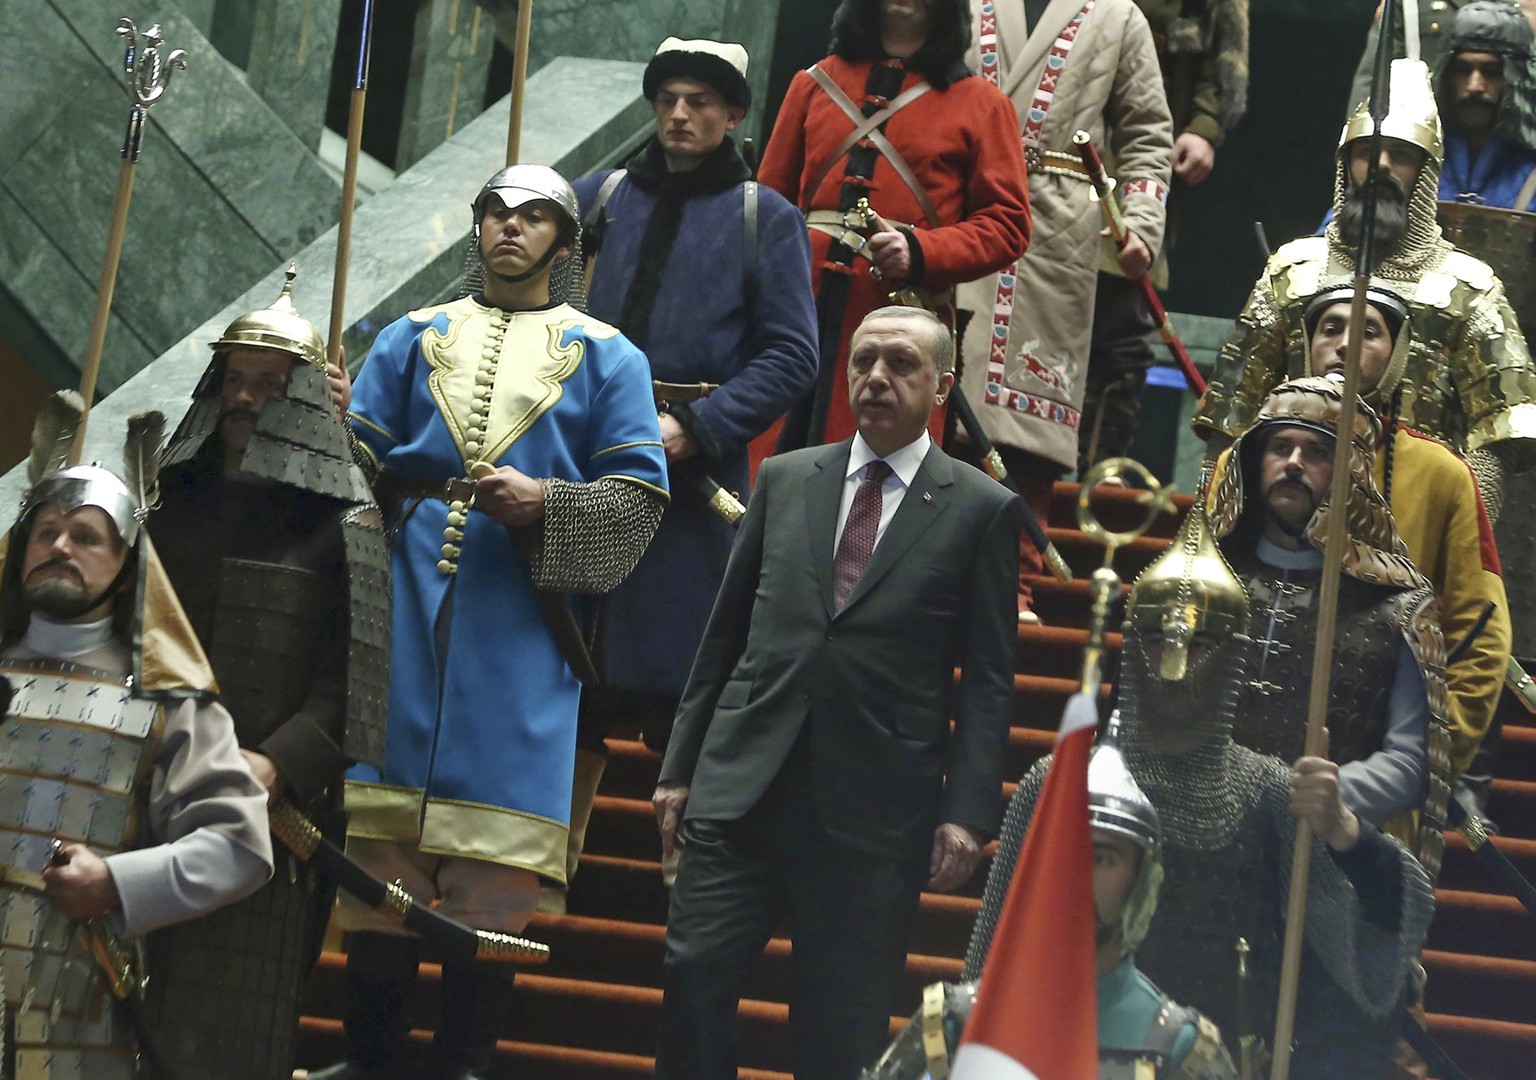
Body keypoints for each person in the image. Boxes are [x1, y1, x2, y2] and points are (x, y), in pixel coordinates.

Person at [321, 164, 669, 1079]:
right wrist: (327, 418)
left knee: (497, 865)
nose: (511, 228)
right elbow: (350, 471)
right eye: (496, 213)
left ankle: (464, 1066)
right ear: (477, 228)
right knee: (381, 854)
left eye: (535, 216)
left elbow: (638, 497)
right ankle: (371, 1063)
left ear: (566, 240)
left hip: (522, 627)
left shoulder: (610, 356)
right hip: (402, 606)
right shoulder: (410, 336)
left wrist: (548, 501)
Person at [653, 306, 1021, 1080]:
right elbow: (724, 636)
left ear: (943, 386)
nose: (877, 378)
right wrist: (680, 768)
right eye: (863, 361)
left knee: (840, 1027)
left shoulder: (981, 508)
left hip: (873, 809)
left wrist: (965, 812)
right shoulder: (787, 478)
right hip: (743, 786)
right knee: (693, 973)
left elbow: (988, 680)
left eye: (901, 364)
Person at [967, 506, 1437, 1075]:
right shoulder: (1061, 782)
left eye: (1199, 643)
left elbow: (1368, 939)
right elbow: (996, 952)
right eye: (1159, 640)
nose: (1175, 663)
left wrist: (1346, 832)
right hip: (1069, 1047)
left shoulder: (1264, 794)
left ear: (1232, 657)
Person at [567, 37, 818, 905]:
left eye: (701, 102)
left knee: (689, 684)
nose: (680, 115)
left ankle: (693, 890)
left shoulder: (764, 218)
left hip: (692, 493)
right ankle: (544, 877)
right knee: (571, 678)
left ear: (734, 114)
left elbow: (791, 355)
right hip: (582, 476)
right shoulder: (595, 200)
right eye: (669, 99)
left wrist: (697, 427)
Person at [136, 270, 391, 1080]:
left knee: (224, 1037)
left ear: (306, 397)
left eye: (270, 384)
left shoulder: (344, 520)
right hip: (140, 787)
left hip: (268, 815)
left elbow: (355, 685)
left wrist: (276, 764)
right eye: (236, 379)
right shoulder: (164, 502)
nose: (245, 398)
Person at [0, 400, 273, 1078]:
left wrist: (117, 883)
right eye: (46, 532)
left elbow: (240, 847)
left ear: (128, 565)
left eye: (86, 536)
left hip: (72, 1011)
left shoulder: (167, 701)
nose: (60, 547)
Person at [1196, 58, 1536, 523]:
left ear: (1426, 169)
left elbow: (1500, 431)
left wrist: (1456, 532)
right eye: (1367, 151)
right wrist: (1212, 523)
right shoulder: (1293, 272)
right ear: (1345, 162)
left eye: (1401, 154)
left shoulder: (1468, 291)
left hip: (1411, 518)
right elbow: (1232, 411)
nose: (1381, 165)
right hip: (1287, 518)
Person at [954, 0, 1173, 623]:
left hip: (1056, 229)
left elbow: (1147, 136)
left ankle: (1013, 582)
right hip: (960, 204)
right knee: (942, 398)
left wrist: (1140, 223)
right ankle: (924, 576)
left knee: (1033, 412)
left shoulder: (1118, 15)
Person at [862, 716, 1237, 1080]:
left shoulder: (1182, 1053)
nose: (1078, 876)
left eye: (1103, 858)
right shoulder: (953, 1025)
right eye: (1066, 849)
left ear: (1140, 881)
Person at [757, 0, 1031, 454]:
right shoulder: (813, 83)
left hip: (899, 320)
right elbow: (767, 208)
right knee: (765, 465)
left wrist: (921, 252)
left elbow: (1008, 224)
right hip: (794, 312)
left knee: (877, 475)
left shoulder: (983, 105)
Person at [1206, 377, 1452, 863]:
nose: (1294, 463)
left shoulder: (1397, 607)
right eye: (1280, 447)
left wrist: (1329, 795)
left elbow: (1410, 762)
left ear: (1351, 475)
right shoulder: (1204, 579)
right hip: (1193, 839)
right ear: (1255, 460)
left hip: (1318, 856)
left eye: (1317, 452)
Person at [1303, 286, 1510, 802]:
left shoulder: (1442, 476)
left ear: (1397, 356)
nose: (1345, 345)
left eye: (1368, 332)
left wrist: (1425, 761)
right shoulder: (1252, 457)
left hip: (1379, 775)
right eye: (1330, 329)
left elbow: (1479, 632)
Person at [1437, 1, 1536, 209]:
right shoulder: (1418, 161)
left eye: (1492, 72)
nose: (1474, 86)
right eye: (1463, 70)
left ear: (1517, 79)